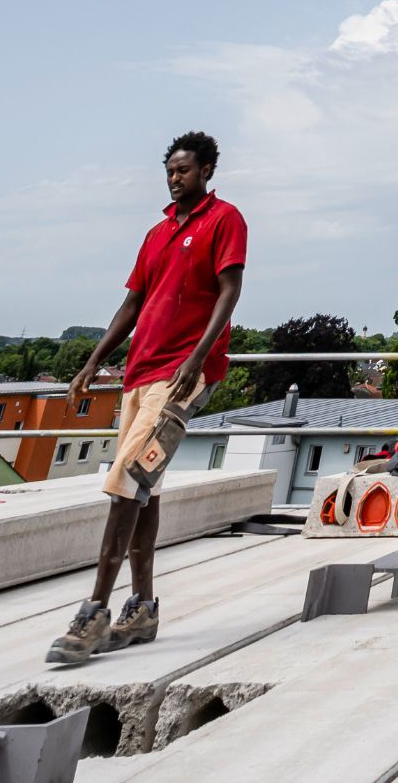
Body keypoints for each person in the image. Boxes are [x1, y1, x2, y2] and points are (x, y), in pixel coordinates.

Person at [45, 132, 247, 662]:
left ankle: (93, 615)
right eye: (169, 172)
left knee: (126, 481)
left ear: (205, 170)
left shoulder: (224, 220)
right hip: (140, 374)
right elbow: (132, 304)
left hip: (183, 375)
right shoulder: (157, 233)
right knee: (144, 489)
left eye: (183, 170)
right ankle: (143, 608)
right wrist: (93, 361)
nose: (174, 179)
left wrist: (198, 358)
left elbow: (229, 291)